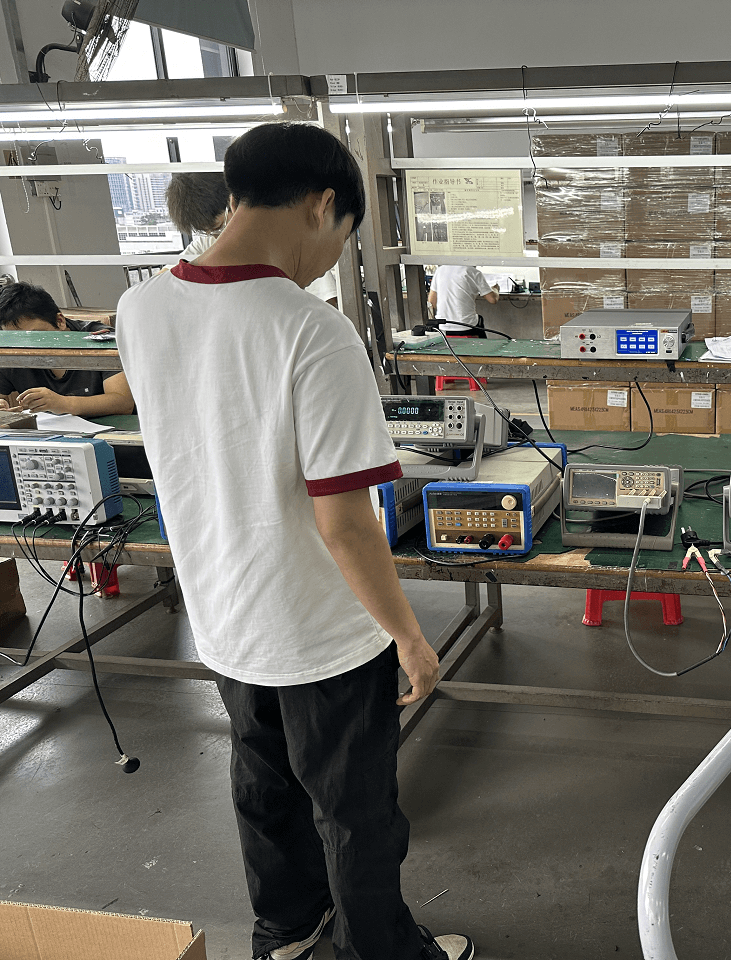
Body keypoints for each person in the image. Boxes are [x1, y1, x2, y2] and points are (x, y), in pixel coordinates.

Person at [117, 123, 472, 960]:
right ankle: (379, 951)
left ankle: (285, 937)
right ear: (321, 206)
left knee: (265, 792)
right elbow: (344, 524)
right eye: (343, 234)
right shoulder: (312, 331)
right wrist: (408, 637)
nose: (332, 256)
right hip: (322, 633)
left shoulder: (141, 307)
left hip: (223, 615)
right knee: (356, 812)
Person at [166, 171, 341, 307]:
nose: (218, 236)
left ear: (234, 203)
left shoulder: (285, 241)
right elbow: (169, 274)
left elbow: (328, 301)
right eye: (210, 232)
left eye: (220, 226)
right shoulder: (209, 242)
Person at [0, 280, 134, 416]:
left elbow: (123, 403)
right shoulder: (11, 346)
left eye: (36, 336)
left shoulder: (102, 341)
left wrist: (62, 403)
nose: (27, 346)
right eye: (15, 338)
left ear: (60, 321)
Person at [427, 264, 498, 335]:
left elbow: (431, 302)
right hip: (467, 327)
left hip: (443, 327)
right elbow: (493, 299)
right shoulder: (473, 272)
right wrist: (495, 289)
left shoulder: (440, 270)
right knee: (479, 320)